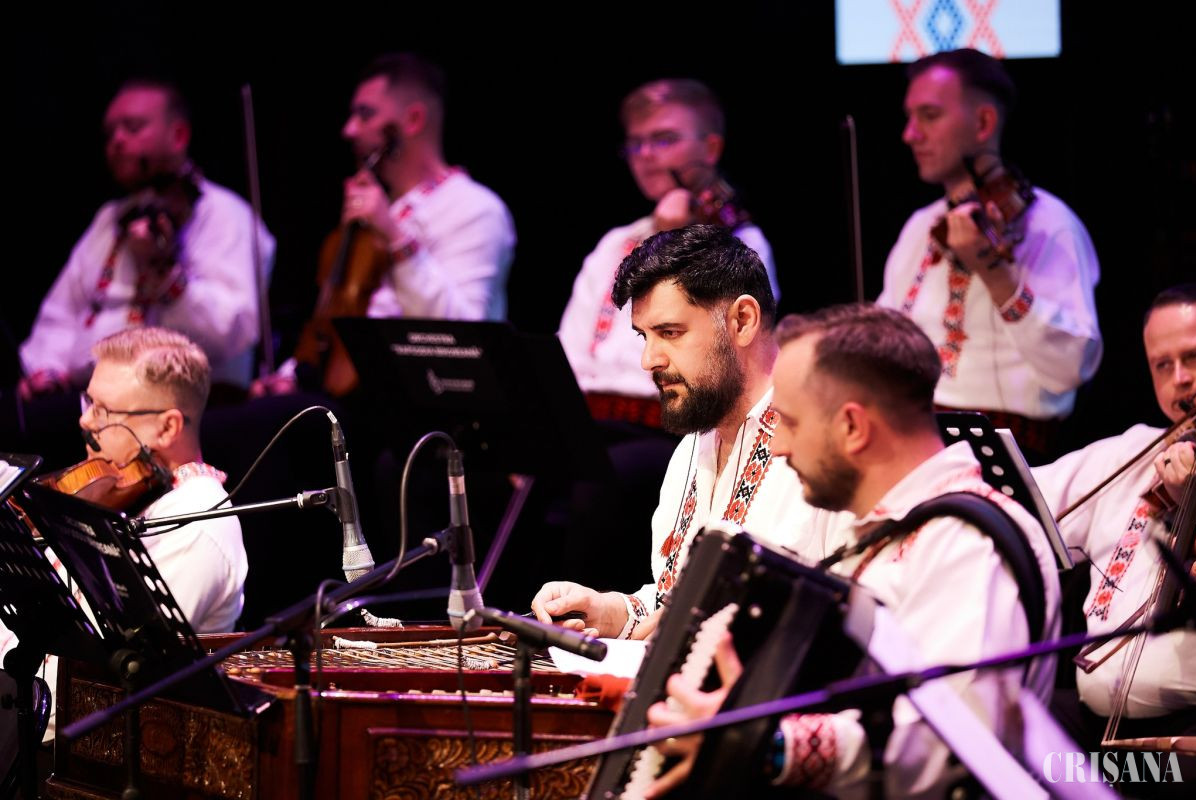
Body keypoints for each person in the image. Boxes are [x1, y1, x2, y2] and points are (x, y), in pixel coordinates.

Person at [643, 304, 1060, 798]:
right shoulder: (875, 534)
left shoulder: (967, 545)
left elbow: (947, 746)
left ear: (853, 428)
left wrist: (766, 744)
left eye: (789, 423)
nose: (778, 447)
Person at [532, 224, 820, 641]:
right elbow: (669, 601)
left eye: (670, 333)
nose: (648, 359)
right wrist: (608, 612)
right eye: (644, 336)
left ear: (742, 321)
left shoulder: (822, 449)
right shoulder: (690, 449)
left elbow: (843, 617)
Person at [556, 79, 780, 589]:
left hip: (666, 423)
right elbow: (569, 352)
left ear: (711, 149)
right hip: (592, 423)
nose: (647, 155)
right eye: (636, 144)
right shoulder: (615, 242)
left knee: (606, 478)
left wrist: (669, 234)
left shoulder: (740, 243)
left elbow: (730, 360)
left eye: (664, 139)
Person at [1, 326, 246, 740]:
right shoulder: (119, 493)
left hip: (81, 748)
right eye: (88, 401)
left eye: (104, 410)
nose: (84, 420)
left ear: (167, 428)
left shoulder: (198, 523)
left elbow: (95, 684)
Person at [877, 48, 1102, 462]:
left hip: (1011, 452)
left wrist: (997, 274)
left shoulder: (1049, 225)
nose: (910, 134)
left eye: (929, 116)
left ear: (983, 122)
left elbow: (1071, 366)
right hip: (916, 441)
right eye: (910, 117)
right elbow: (883, 340)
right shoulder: (920, 227)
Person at [254, 52, 516, 396]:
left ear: (413, 120)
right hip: (347, 393)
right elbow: (331, 317)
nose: (349, 129)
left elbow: (464, 338)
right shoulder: (379, 208)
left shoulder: (475, 208)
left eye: (366, 114)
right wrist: (291, 374)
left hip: (421, 401)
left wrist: (395, 237)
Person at [20, 79, 273, 395]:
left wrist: (166, 274)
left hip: (186, 403)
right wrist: (48, 370)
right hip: (90, 396)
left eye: (133, 127)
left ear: (178, 136)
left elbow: (231, 331)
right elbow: (62, 313)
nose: (117, 140)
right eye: (110, 133)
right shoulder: (111, 217)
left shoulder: (225, 214)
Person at [1034, 284, 1196, 752]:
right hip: (1096, 727)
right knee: (1004, 731)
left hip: (1182, 741)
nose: (1180, 378)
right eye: (1162, 365)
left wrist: (1193, 500)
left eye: (1193, 357)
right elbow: (1024, 501)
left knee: (1114, 777)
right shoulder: (1130, 451)